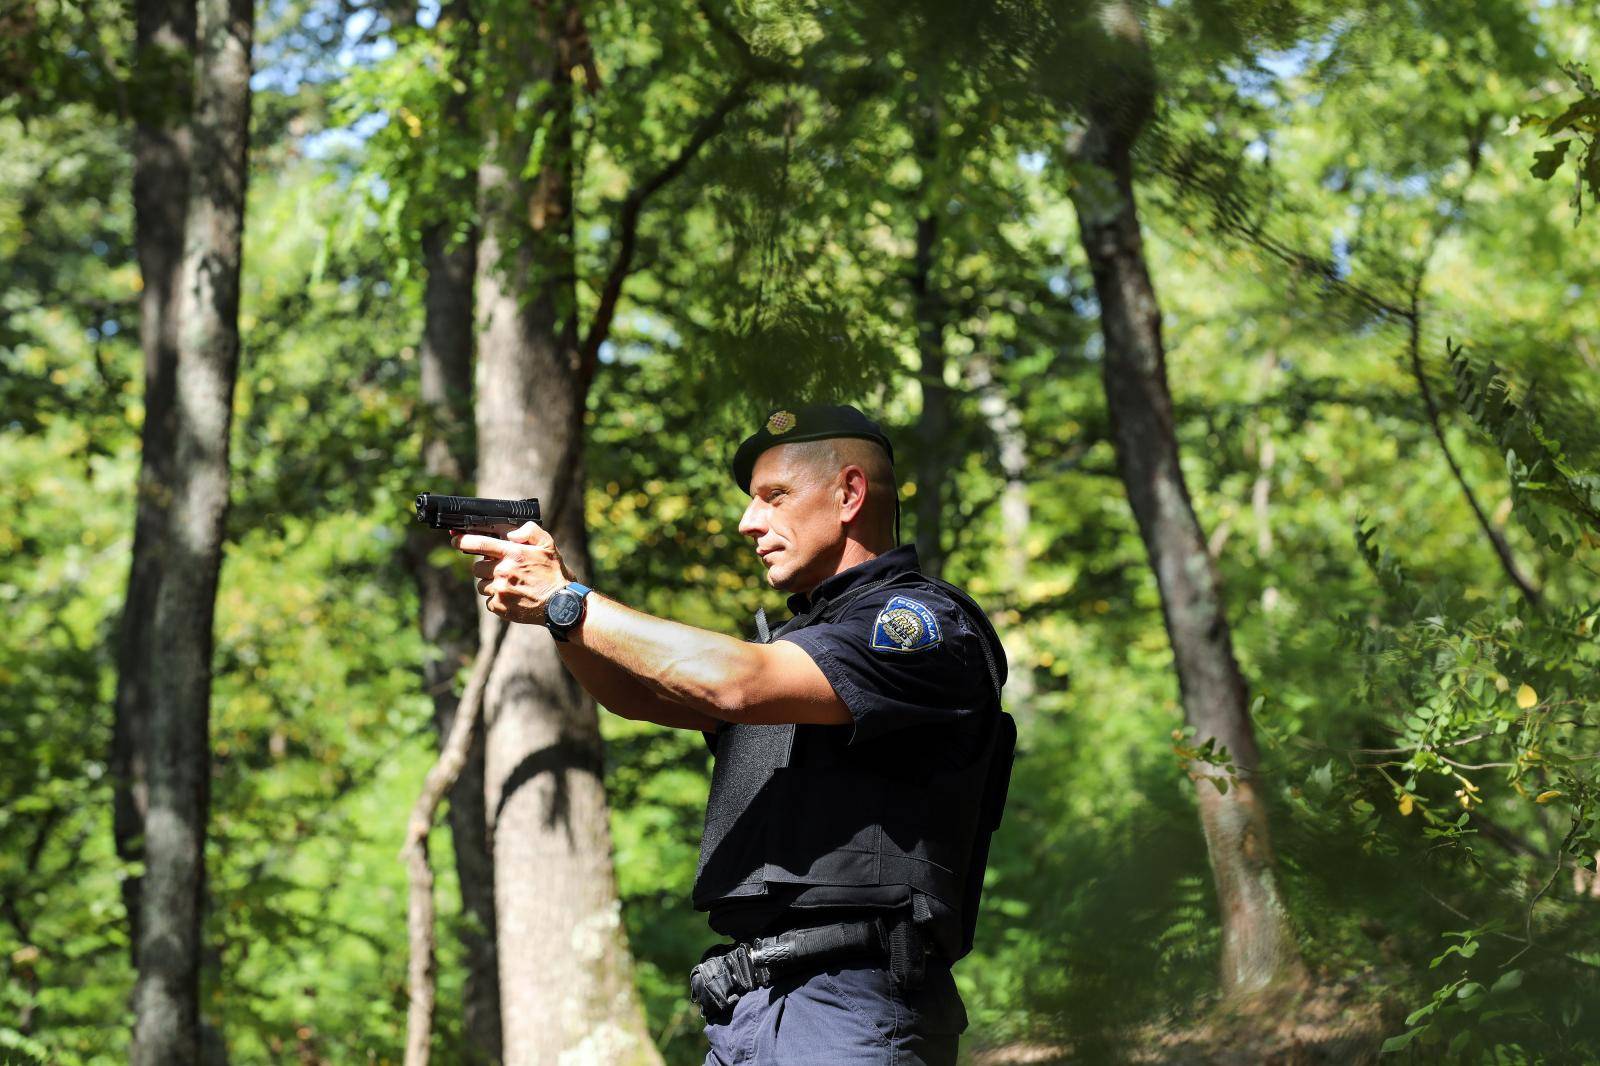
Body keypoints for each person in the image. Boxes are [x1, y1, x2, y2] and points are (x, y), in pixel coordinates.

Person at [452, 403, 1014, 1066]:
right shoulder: (799, 643)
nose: (749, 522)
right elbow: (640, 695)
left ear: (850, 493)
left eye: (775, 497)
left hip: (852, 1009)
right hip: (748, 1008)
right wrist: (562, 614)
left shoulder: (921, 623)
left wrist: (568, 602)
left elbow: (736, 684)